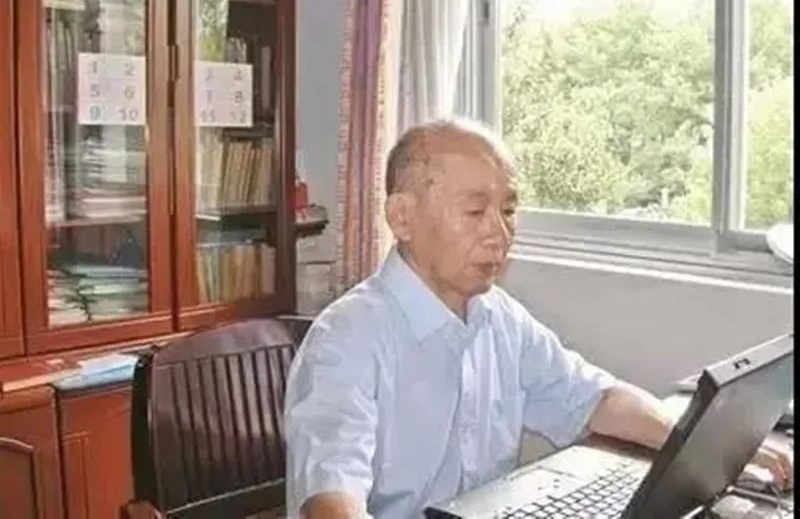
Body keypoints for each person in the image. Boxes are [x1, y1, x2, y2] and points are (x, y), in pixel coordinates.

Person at [284, 119, 792, 519]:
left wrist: (714, 449)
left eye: (508, 210)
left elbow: (594, 398)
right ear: (402, 218)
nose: (500, 233)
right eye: (475, 211)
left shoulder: (497, 315)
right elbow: (331, 501)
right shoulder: (345, 341)